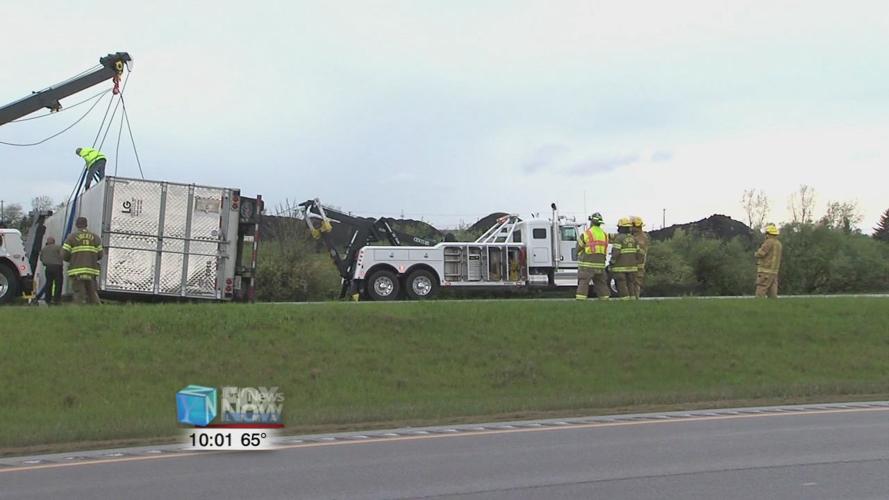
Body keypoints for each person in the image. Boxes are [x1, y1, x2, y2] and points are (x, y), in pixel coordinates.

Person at [61, 217, 103, 305]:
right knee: (92, 293)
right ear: (86, 224)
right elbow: (100, 255)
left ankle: (77, 311)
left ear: (76, 225)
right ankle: (98, 311)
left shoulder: (71, 237)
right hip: (91, 271)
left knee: (79, 293)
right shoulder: (96, 238)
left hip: (77, 270)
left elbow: (64, 254)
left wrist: (72, 259)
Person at [576, 212, 610, 300]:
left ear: (591, 221)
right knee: (601, 285)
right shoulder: (604, 235)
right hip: (600, 265)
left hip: (587, 266)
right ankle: (605, 301)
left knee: (583, 283)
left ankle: (580, 301)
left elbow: (578, 248)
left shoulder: (587, 233)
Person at [610, 217, 640, 299]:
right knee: (631, 283)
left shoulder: (619, 238)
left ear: (621, 227)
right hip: (632, 267)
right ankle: (632, 299)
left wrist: (612, 262)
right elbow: (638, 253)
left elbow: (616, 252)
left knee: (621, 284)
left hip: (620, 268)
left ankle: (625, 300)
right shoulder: (634, 239)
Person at [755, 223, 783, 298]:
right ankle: (773, 307)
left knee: (761, 290)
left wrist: (756, 253)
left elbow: (761, 253)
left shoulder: (768, 242)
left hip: (765, 271)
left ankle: (758, 306)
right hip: (774, 272)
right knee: (772, 293)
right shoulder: (779, 244)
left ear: (768, 234)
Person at [37, 237, 64, 305]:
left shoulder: (44, 249)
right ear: (54, 241)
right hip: (57, 267)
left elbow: (41, 258)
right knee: (58, 283)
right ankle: (56, 299)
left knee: (49, 283)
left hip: (48, 268)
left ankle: (47, 299)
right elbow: (62, 255)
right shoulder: (58, 247)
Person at [630, 216, 650, 298]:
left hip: (637, 267)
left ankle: (635, 300)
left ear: (636, 227)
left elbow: (640, 254)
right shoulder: (636, 236)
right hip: (635, 266)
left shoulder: (640, 238)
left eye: (631, 226)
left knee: (635, 285)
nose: (630, 228)